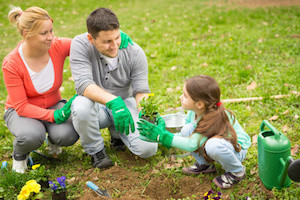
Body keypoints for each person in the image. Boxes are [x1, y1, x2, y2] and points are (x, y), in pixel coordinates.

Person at [2, 6, 132, 174]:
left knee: (68, 135)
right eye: (44, 33)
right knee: (32, 136)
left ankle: (53, 140)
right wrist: (52, 116)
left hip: (54, 104)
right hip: (20, 112)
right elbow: (21, 106)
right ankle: (19, 156)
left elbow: (87, 44)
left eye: (51, 31)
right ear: (26, 33)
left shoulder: (57, 46)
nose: (50, 37)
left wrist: (115, 38)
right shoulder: (11, 63)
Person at [70, 8, 158, 170]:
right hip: (96, 107)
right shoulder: (80, 44)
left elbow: (141, 90)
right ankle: (96, 152)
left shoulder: (134, 51)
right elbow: (83, 84)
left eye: (117, 38)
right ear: (91, 39)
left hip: (125, 103)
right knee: (80, 106)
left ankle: (117, 135)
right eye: (107, 42)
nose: (114, 45)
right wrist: (113, 102)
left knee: (148, 149)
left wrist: (147, 113)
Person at [138, 75, 251, 189]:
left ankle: (236, 171)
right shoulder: (194, 113)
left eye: (185, 96)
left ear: (200, 104)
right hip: (220, 143)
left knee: (213, 145)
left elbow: (191, 144)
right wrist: (160, 136)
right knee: (187, 130)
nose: (180, 97)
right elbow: (185, 136)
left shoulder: (213, 118)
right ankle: (205, 164)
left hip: (236, 150)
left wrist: (164, 137)